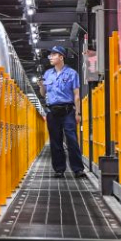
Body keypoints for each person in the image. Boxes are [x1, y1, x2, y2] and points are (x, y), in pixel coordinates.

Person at [38, 45, 85, 178]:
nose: (51, 58)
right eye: (50, 55)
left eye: (53, 55)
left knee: (72, 140)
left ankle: (78, 169)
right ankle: (59, 169)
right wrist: (42, 86)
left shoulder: (72, 74)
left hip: (68, 111)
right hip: (52, 112)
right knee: (55, 141)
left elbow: (76, 94)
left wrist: (78, 113)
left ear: (61, 57)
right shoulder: (48, 74)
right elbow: (43, 94)